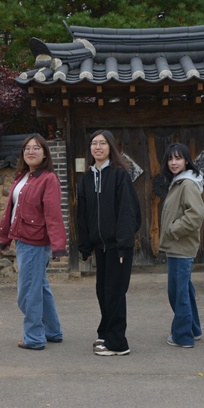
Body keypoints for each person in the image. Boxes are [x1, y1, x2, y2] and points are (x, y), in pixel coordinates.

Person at [0, 134, 66, 350]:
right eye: (27, 148)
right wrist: (5, 237)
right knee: (40, 288)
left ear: (45, 154)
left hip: (35, 243)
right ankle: (52, 331)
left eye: (36, 148)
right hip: (22, 240)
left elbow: (53, 214)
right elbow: (11, 211)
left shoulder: (48, 179)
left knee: (28, 293)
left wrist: (58, 245)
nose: (31, 151)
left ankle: (34, 337)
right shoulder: (23, 176)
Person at [76, 130, 141, 356]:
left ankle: (118, 344)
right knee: (103, 292)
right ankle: (105, 333)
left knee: (115, 293)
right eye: (94, 143)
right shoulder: (87, 178)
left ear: (110, 147)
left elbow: (128, 211)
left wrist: (124, 244)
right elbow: (82, 215)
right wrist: (85, 246)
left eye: (103, 143)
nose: (98, 147)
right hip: (100, 247)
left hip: (117, 246)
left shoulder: (119, 175)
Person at [158, 142, 204, 348]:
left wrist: (173, 230)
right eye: (170, 159)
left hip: (181, 246)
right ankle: (193, 330)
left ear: (186, 160)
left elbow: (197, 214)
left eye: (178, 158)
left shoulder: (187, 184)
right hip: (177, 246)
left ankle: (183, 336)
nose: (173, 162)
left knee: (178, 294)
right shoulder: (179, 182)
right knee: (184, 290)